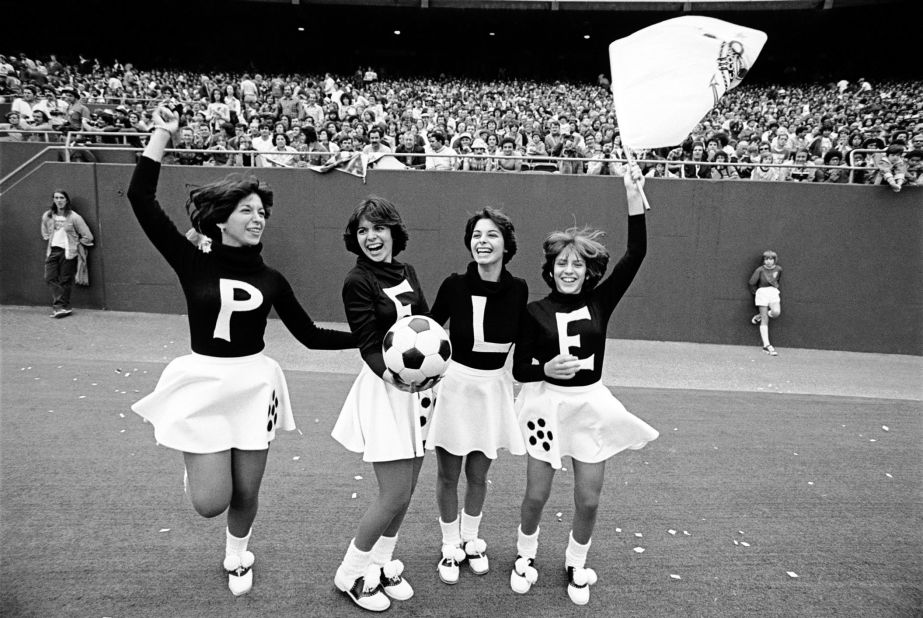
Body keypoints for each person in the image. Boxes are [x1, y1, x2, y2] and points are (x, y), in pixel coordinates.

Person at [127, 106, 355, 597]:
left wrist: (370, 338)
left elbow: (311, 336)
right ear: (222, 218)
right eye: (248, 210)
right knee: (212, 501)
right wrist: (161, 134)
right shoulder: (191, 260)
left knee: (247, 492)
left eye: (262, 212)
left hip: (254, 385)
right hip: (204, 382)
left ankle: (236, 556)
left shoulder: (271, 279)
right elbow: (139, 197)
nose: (258, 218)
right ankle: (198, 469)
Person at [509, 164, 658, 606]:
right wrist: (545, 372)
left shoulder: (600, 301)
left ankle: (576, 561)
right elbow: (519, 370)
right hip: (546, 407)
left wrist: (634, 198)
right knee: (536, 494)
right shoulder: (535, 311)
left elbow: (636, 254)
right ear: (550, 269)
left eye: (576, 264)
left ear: (587, 271)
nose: (569, 270)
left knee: (589, 500)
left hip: (590, 405)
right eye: (561, 263)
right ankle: (526, 554)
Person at [331, 196, 434, 612]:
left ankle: (382, 562)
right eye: (362, 231)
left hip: (418, 391)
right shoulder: (358, 280)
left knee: (406, 491)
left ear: (393, 231)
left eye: (378, 228)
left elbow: (423, 322)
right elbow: (368, 344)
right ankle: (351, 573)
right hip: (385, 390)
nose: (371, 237)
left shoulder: (406, 271)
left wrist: (431, 369)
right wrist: (395, 376)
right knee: (392, 494)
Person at [426, 208, 529, 585]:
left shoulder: (519, 289)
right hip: (457, 386)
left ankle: (471, 538)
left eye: (491, 235)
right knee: (449, 472)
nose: (482, 242)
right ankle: (449, 542)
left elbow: (525, 339)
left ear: (506, 245)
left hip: (494, 388)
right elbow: (429, 330)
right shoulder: (453, 284)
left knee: (478, 474)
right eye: (476, 235)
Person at [41, 190, 94, 318]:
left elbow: (88, 236)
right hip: (53, 251)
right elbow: (45, 232)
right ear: (53, 200)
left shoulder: (74, 217)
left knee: (65, 280)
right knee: (49, 277)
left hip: (68, 252)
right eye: (56, 198)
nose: (59, 200)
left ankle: (60, 307)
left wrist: (76, 243)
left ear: (67, 200)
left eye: (62, 198)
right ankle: (62, 306)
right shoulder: (48, 216)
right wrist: (50, 238)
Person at [748, 250, 782, 356]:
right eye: (766, 259)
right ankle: (766, 346)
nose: (769, 261)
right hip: (762, 292)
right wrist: (757, 293)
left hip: (773, 292)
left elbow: (777, 280)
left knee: (776, 312)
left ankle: (759, 316)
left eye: (771, 259)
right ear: (763, 260)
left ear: (774, 260)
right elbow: (751, 283)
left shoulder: (779, 269)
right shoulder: (760, 270)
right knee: (765, 320)